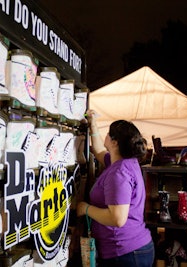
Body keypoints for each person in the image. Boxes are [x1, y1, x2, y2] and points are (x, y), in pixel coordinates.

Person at [76, 109, 154, 267]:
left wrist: (86, 209)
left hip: (126, 253)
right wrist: (93, 125)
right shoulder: (123, 162)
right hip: (132, 250)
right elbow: (98, 152)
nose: (105, 136)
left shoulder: (119, 172)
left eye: (108, 134)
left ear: (115, 142)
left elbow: (117, 218)